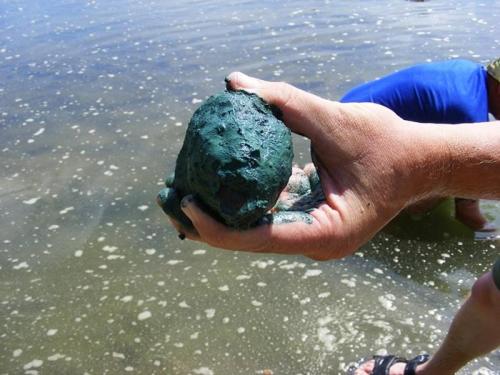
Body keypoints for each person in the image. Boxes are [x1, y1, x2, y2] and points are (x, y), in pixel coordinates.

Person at [165, 62, 500, 374]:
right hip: (357, 129)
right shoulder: (470, 111)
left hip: (354, 120)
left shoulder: (469, 72)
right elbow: (466, 210)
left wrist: (408, 174)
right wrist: (483, 231)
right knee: (429, 202)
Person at [340, 58, 500, 232]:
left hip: (340, 116)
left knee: (448, 166)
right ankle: (392, 224)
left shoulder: (469, 71)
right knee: (450, 179)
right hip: (349, 140)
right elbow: (467, 215)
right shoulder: (469, 115)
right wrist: (491, 234)